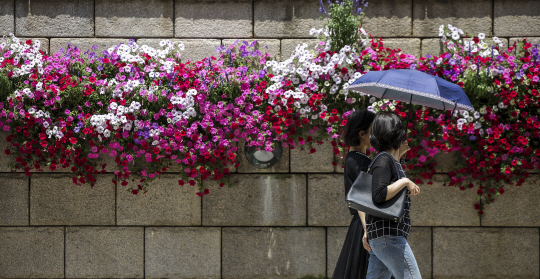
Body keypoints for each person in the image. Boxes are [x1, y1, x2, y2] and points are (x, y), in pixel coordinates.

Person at [365, 111, 421, 279]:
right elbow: (379, 194)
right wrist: (405, 182)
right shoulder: (383, 159)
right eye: (400, 129)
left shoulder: (387, 160)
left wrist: (399, 153)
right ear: (394, 132)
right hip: (389, 237)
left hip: (382, 237)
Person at [333, 109, 376, 279]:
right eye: (373, 129)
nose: (376, 134)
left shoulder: (354, 158)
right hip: (366, 223)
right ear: (362, 133)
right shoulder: (361, 161)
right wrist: (367, 230)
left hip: (361, 224)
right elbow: (361, 198)